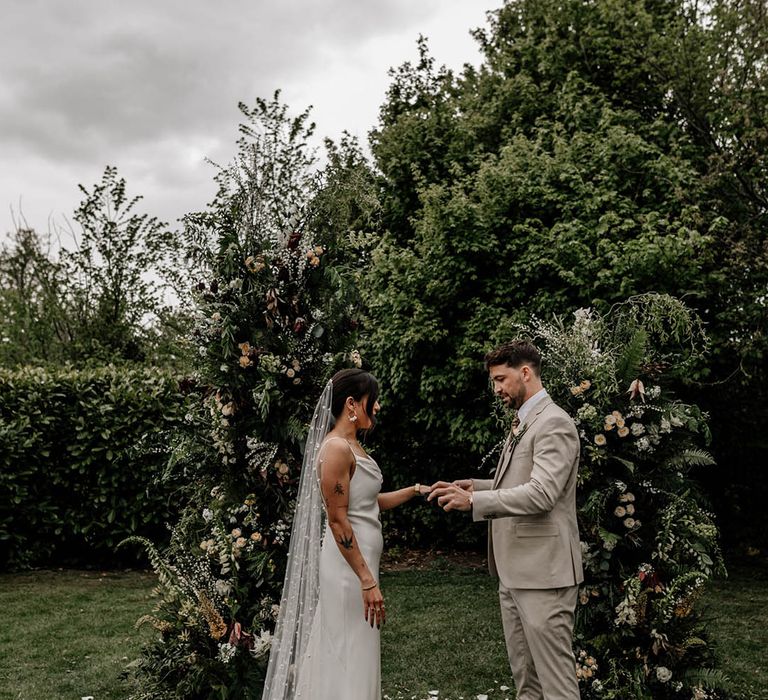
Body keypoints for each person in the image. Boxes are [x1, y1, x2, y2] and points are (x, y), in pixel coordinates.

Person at [262, 368, 431, 700]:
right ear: (352, 403)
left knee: (358, 649)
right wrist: (366, 580)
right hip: (348, 571)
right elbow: (338, 519)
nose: (378, 407)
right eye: (374, 401)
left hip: (360, 566)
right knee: (349, 651)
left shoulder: (351, 445)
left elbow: (366, 503)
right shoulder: (337, 449)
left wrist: (413, 490)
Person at [429, 340, 583, 700]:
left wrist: (476, 501)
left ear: (525, 372)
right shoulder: (525, 421)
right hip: (514, 573)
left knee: (556, 686)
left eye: (501, 379)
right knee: (527, 685)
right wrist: (477, 485)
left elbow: (543, 494)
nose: (496, 389)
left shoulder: (554, 423)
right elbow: (522, 482)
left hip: (544, 576)